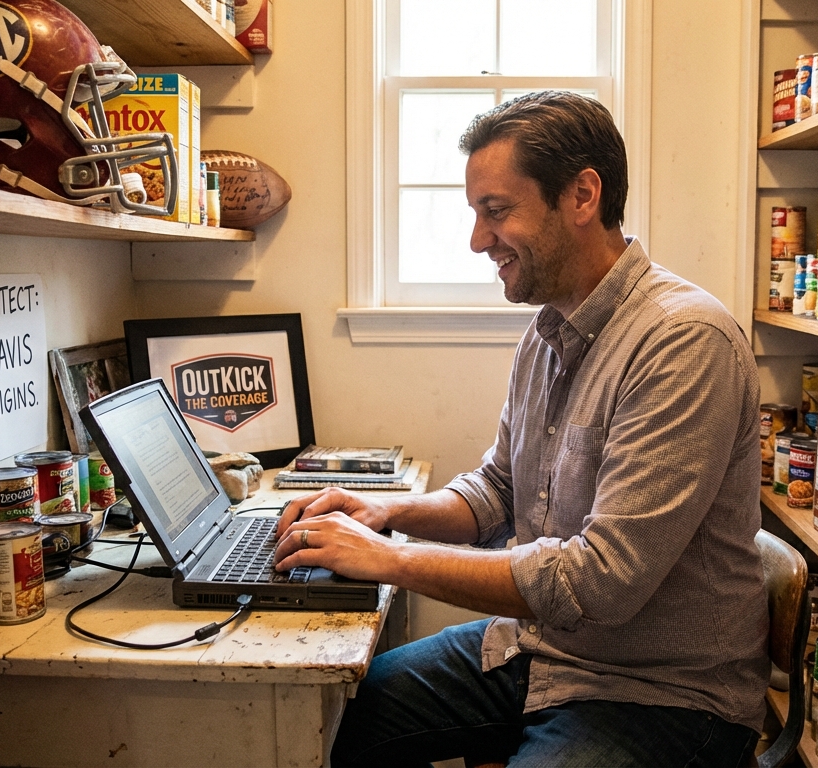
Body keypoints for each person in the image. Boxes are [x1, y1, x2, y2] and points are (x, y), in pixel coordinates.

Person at [274, 91, 768, 767]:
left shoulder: (684, 342)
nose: (478, 240)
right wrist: (387, 510)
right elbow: (500, 490)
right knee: (338, 722)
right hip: (544, 649)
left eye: (495, 211)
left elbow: (601, 582)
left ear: (583, 195)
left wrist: (393, 560)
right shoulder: (547, 334)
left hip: (663, 693)